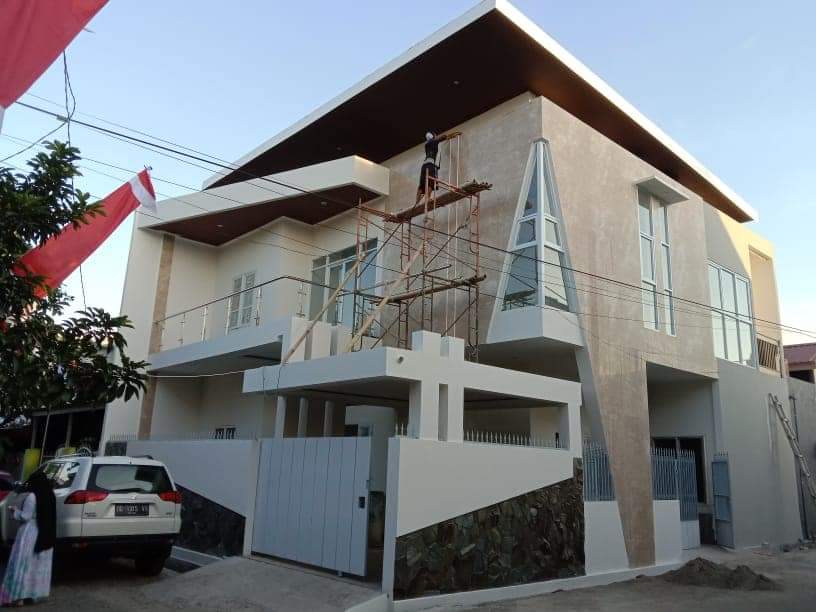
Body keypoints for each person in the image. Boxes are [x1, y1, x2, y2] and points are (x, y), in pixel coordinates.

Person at [0, 470, 56, 606]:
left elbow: (25, 516)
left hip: (29, 533)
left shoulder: (32, 496)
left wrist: (14, 511)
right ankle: (31, 594)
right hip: (44, 535)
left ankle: (17, 597)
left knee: (22, 565)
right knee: (35, 566)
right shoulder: (50, 495)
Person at [416, 130, 461, 204]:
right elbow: (443, 137)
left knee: (422, 184)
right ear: (433, 136)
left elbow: (439, 140)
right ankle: (428, 198)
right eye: (435, 135)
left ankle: (416, 202)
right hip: (431, 165)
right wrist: (454, 134)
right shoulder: (434, 141)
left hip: (424, 166)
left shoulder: (426, 144)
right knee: (431, 182)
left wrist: (446, 138)